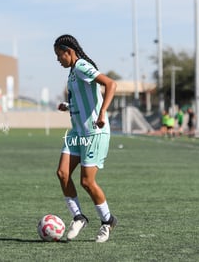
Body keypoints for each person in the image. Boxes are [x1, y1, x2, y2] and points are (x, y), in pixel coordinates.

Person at [54, 34, 118, 243]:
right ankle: (79, 217)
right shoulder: (72, 73)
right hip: (77, 132)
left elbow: (110, 84)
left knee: (87, 182)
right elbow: (82, 101)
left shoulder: (81, 66)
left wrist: (102, 114)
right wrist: (68, 106)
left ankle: (108, 222)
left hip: (94, 133)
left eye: (59, 55)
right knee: (62, 173)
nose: (58, 60)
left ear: (69, 52)